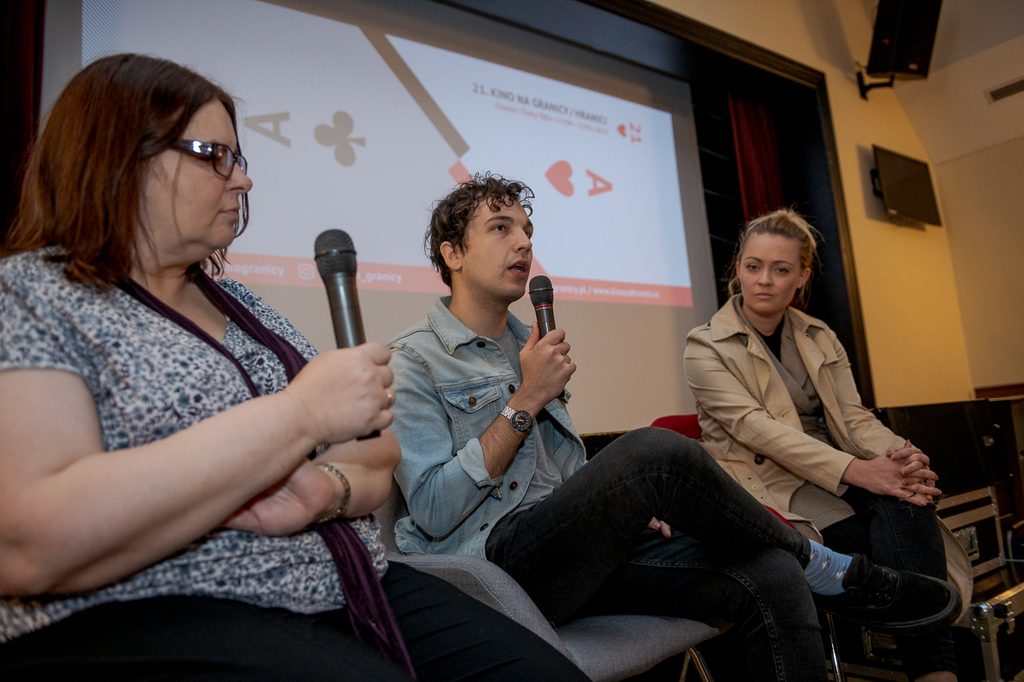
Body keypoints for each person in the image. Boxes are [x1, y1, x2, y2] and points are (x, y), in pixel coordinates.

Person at [0, 54, 592, 681]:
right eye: (213, 155)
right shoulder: (33, 294)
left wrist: (325, 488)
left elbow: (375, 452)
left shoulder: (244, 307)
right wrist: (299, 417)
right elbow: (32, 542)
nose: (242, 180)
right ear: (119, 157)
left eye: (238, 158)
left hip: (350, 582)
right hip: (169, 607)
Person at [387, 174, 962, 682]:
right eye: (500, 228)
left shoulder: (529, 344)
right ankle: (825, 563)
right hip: (496, 566)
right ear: (452, 254)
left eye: (527, 230)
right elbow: (434, 509)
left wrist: (618, 510)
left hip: (569, 554)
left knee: (772, 574)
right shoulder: (413, 360)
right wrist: (525, 400)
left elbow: (558, 477)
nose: (523, 242)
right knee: (652, 451)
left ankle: (806, 566)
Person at [684, 208, 971, 682]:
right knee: (884, 534)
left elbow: (854, 417)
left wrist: (902, 457)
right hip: (770, 484)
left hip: (835, 468)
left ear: (801, 277)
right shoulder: (704, 346)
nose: (764, 280)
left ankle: (933, 672)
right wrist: (862, 473)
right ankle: (935, 669)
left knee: (908, 499)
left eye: (780, 269)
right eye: (753, 266)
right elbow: (758, 430)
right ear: (738, 268)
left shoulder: (819, 335)